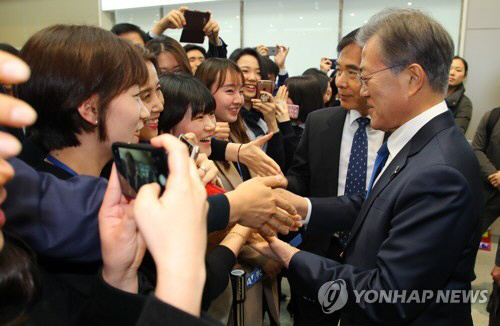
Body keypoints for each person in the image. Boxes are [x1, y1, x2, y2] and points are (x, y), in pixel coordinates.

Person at [252, 8, 482, 325]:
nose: (360, 89)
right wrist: (303, 206)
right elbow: (378, 204)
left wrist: (291, 256)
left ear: (413, 78)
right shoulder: (417, 144)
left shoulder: (441, 171)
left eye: (366, 76)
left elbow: (387, 297)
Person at [283, 28, 385, 325]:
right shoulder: (320, 121)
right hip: (319, 251)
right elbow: (301, 176)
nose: (340, 81)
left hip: (376, 257)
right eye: (338, 70)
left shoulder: (398, 131)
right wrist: (282, 186)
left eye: (353, 72)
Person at [471, 107, 500, 325]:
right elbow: (477, 148)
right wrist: (494, 174)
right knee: (466, 239)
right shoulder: (493, 116)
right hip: (488, 190)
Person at [446, 56, 472, 134]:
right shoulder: (431, 95)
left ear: (464, 77)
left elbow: (456, 135)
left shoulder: (465, 104)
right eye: (450, 68)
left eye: (458, 70)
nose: (452, 73)